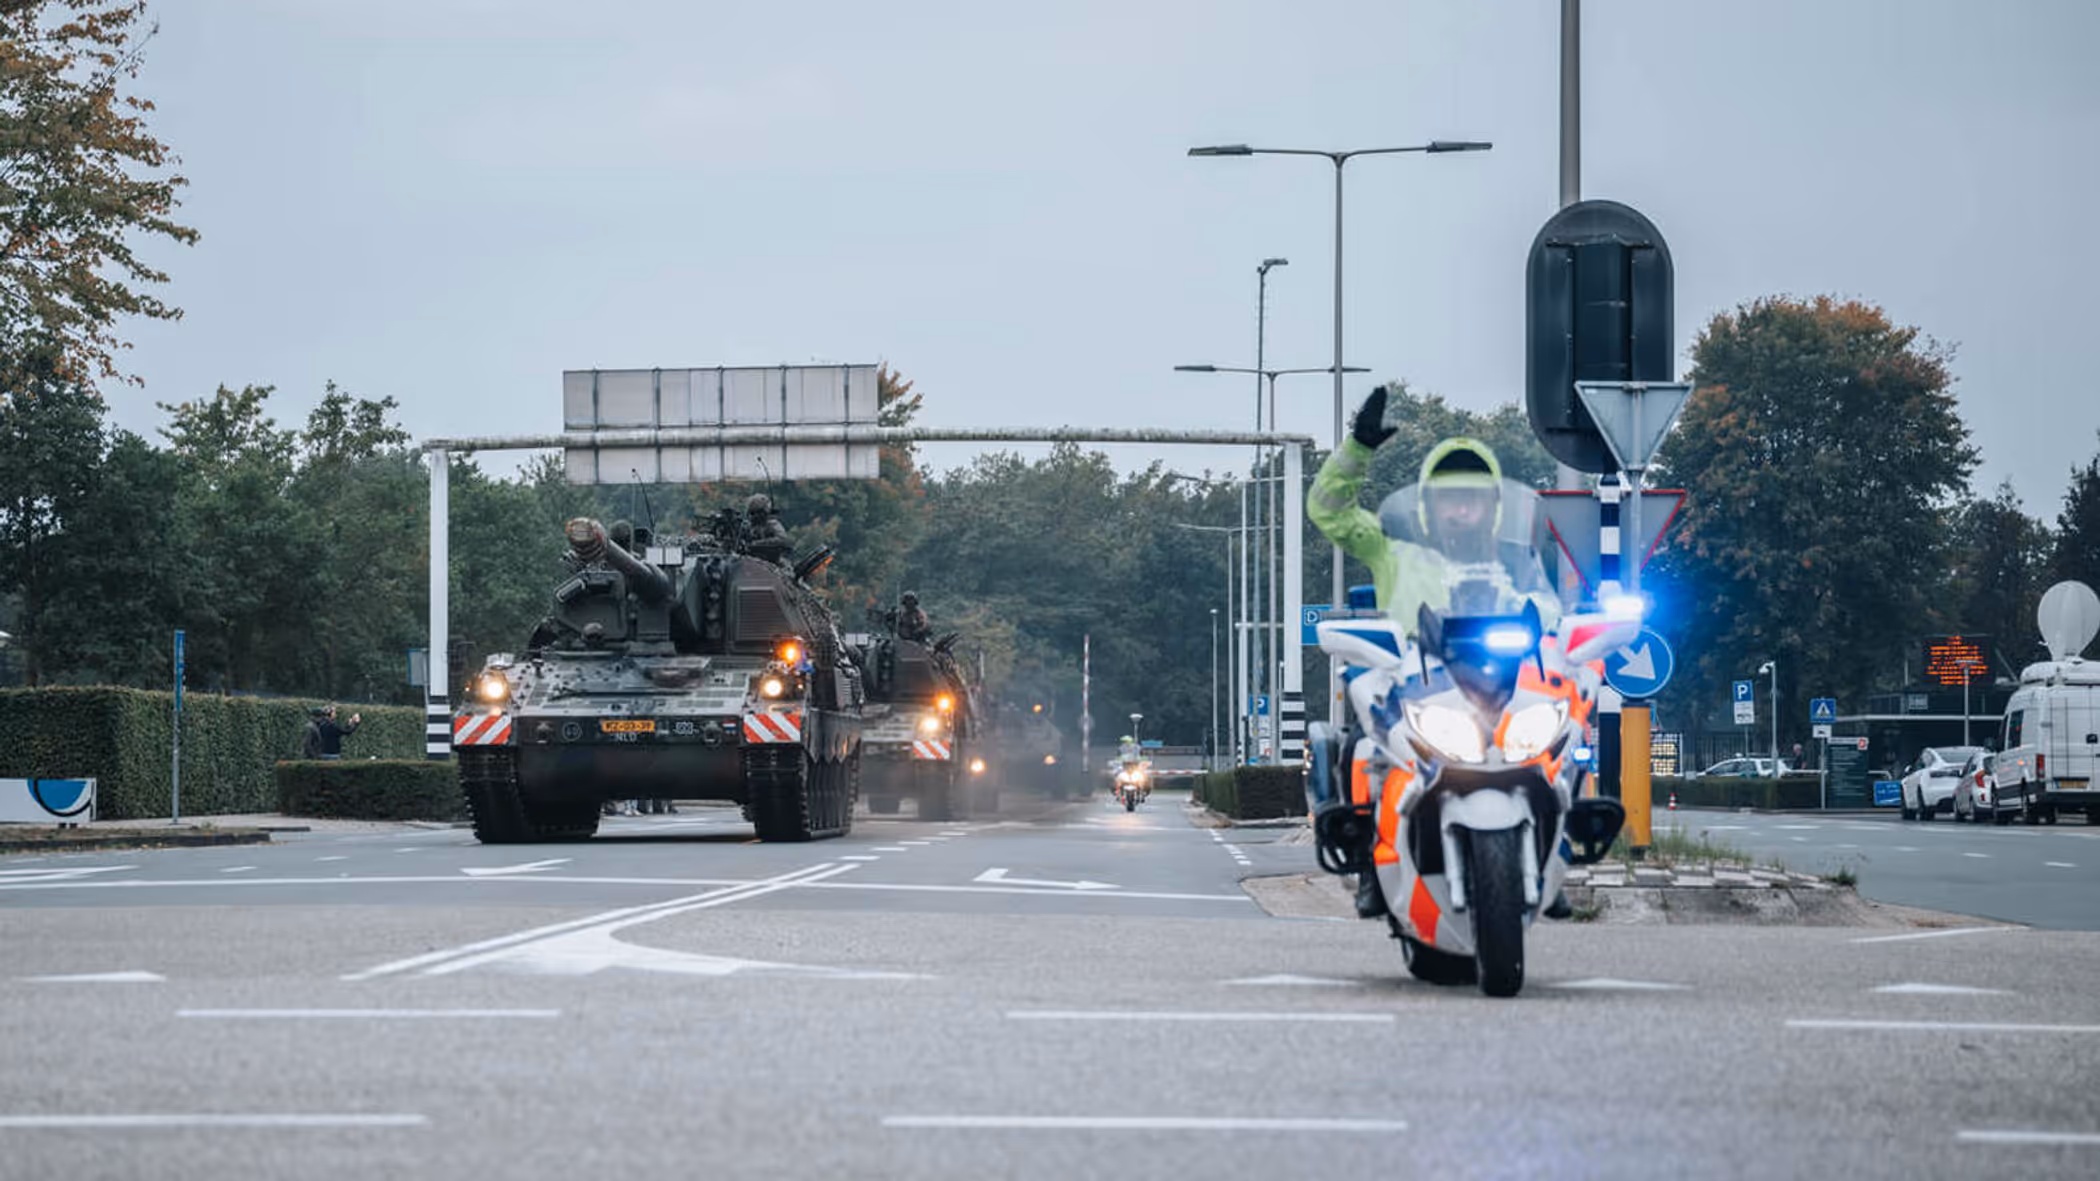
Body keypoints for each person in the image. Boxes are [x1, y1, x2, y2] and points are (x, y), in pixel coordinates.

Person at [745, 493, 792, 563]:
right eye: (752, 513)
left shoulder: (772, 524)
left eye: (758, 512)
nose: (755, 516)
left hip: (772, 564)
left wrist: (755, 544)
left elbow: (782, 540)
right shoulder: (748, 527)